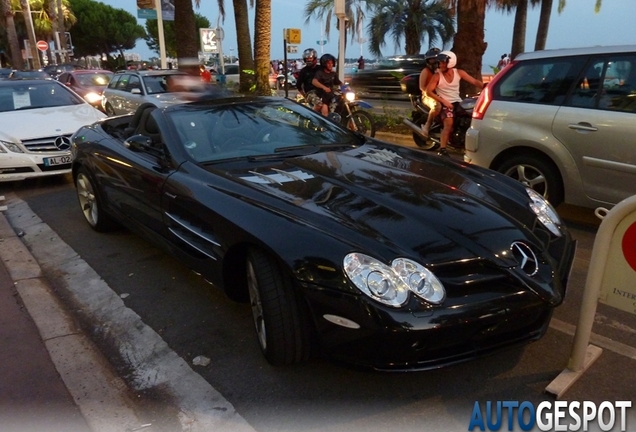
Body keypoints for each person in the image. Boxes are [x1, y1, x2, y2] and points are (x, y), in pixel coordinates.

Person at [426, 51, 484, 157]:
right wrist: (444, 101)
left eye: (443, 62)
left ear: (451, 62)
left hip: (457, 102)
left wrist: (487, 87)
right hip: (444, 104)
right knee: (449, 124)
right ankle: (442, 149)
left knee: (471, 117)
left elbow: (475, 82)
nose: (440, 65)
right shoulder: (437, 76)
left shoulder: (459, 72)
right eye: (440, 63)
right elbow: (428, 91)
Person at [418, 47, 441, 138]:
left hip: (438, 94)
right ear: (428, 61)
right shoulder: (425, 71)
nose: (434, 61)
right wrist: (432, 95)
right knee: (437, 105)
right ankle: (426, 126)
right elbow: (422, 87)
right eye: (432, 60)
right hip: (427, 96)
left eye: (436, 59)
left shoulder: (439, 72)